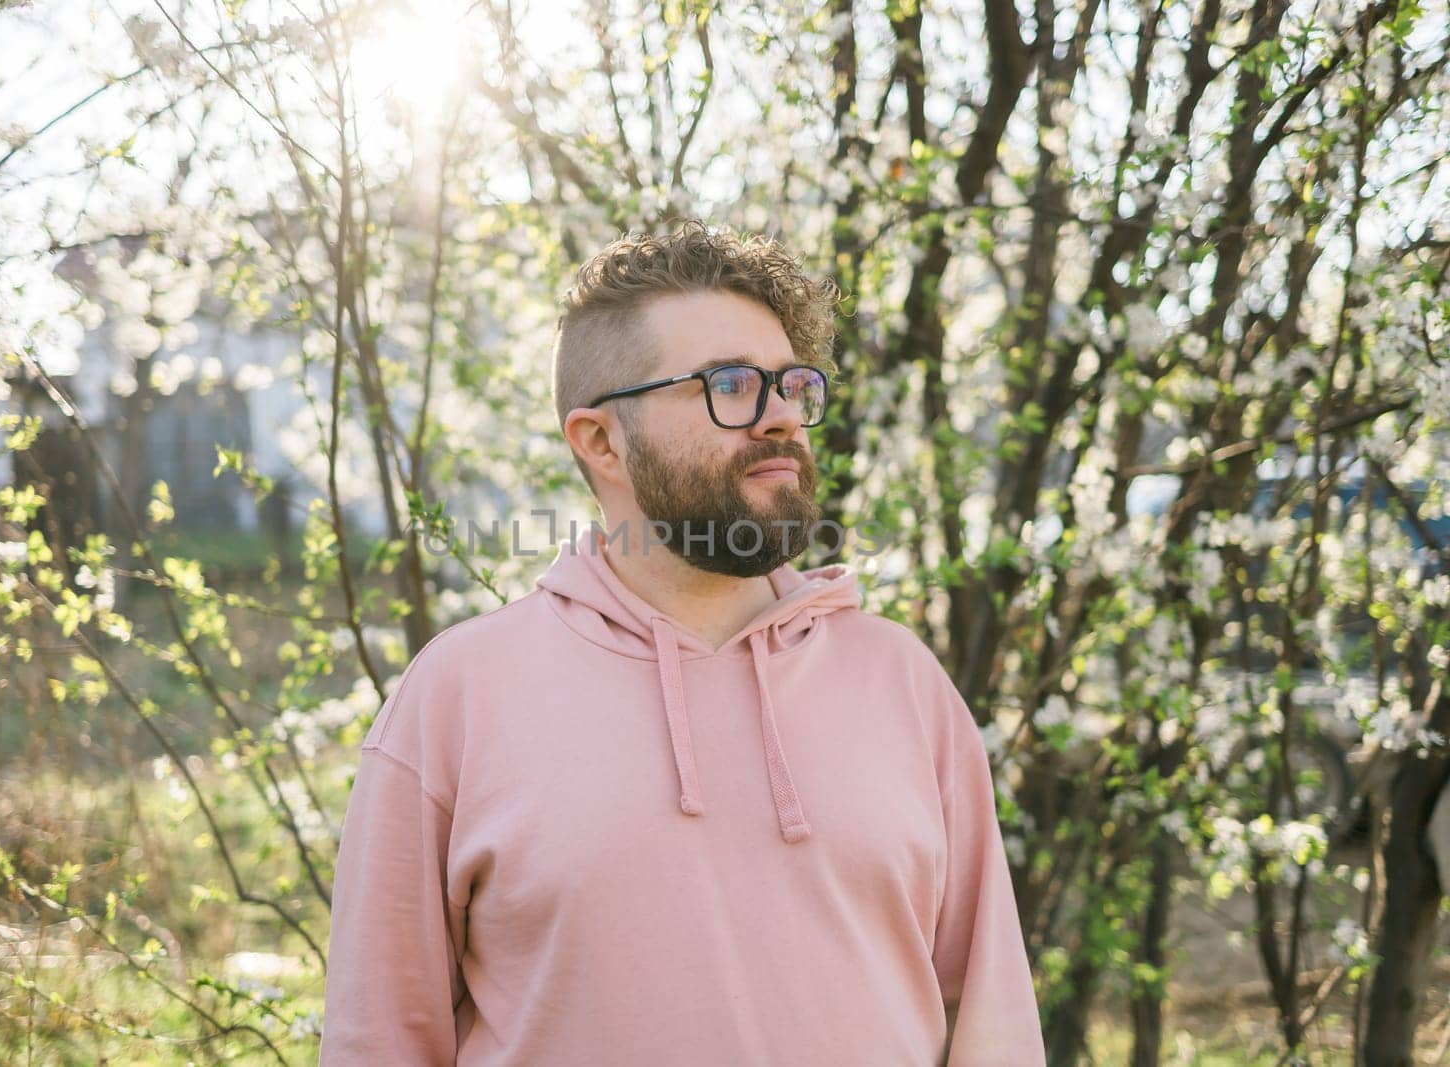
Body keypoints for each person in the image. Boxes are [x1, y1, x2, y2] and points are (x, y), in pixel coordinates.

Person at [319, 220, 1046, 1065]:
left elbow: (993, 1023)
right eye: (730, 383)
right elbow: (380, 1043)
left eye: (791, 384)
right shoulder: (458, 696)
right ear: (601, 441)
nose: (779, 417)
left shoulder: (902, 681)